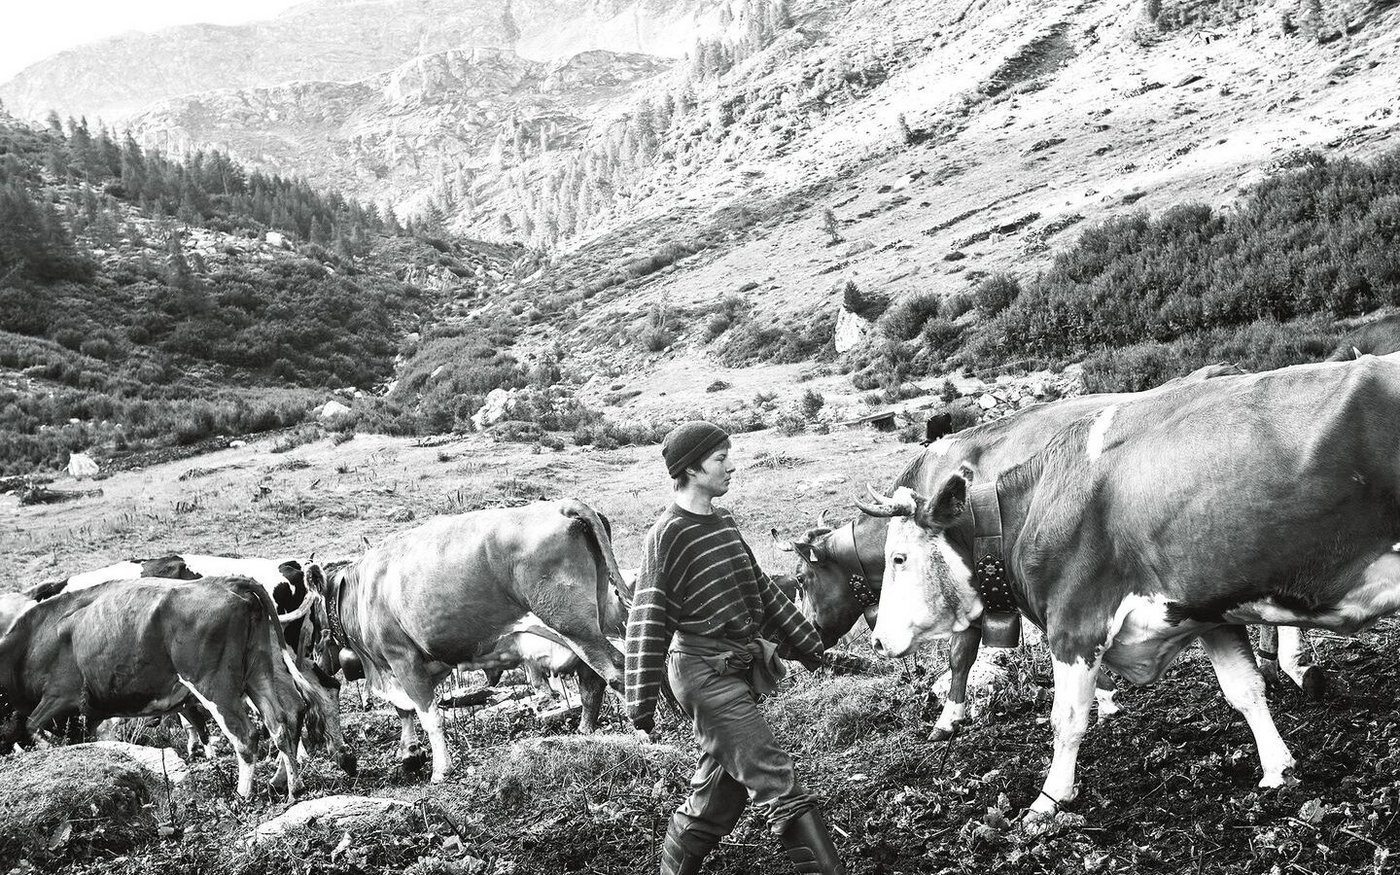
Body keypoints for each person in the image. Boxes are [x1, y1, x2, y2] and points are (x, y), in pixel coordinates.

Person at [626, 420, 846, 875]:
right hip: (703, 675)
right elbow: (648, 619)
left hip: (737, 670)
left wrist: (808, 643)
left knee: (717, 799)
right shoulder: (667, 535)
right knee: (776, 781)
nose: (731, 467)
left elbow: (760, 588)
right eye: (720, 459)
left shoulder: (723, 521)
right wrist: (640, 705)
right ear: (690, 469)